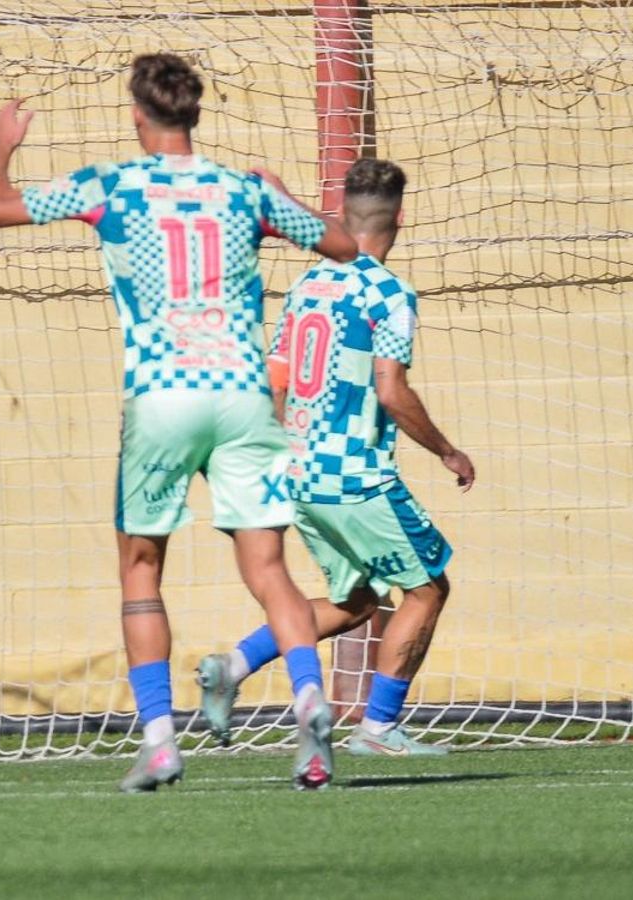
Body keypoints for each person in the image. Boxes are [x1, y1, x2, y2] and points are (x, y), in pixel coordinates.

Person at [0, 52, 358, 790]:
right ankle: (308, 696)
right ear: (197, 114)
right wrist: (284, 201)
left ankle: (158, 739)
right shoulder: (244, 191)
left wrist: (4, 147)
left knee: (141, 567)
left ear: (136, 114)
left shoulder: (108, 185)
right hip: (244, 393)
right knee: (271, 570)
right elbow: (340, 245)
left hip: (163, 397)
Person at [197, 158, 475, 757]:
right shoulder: (391, 293)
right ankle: (377, 729)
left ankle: (232, 666)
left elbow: (275, 381)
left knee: (357, 603)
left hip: (296, 472)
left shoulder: (306, 287)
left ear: (343, 215)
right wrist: (448, 451)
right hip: (356, 478)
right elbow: (391, 390)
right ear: (401, 218)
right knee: (427, 590)